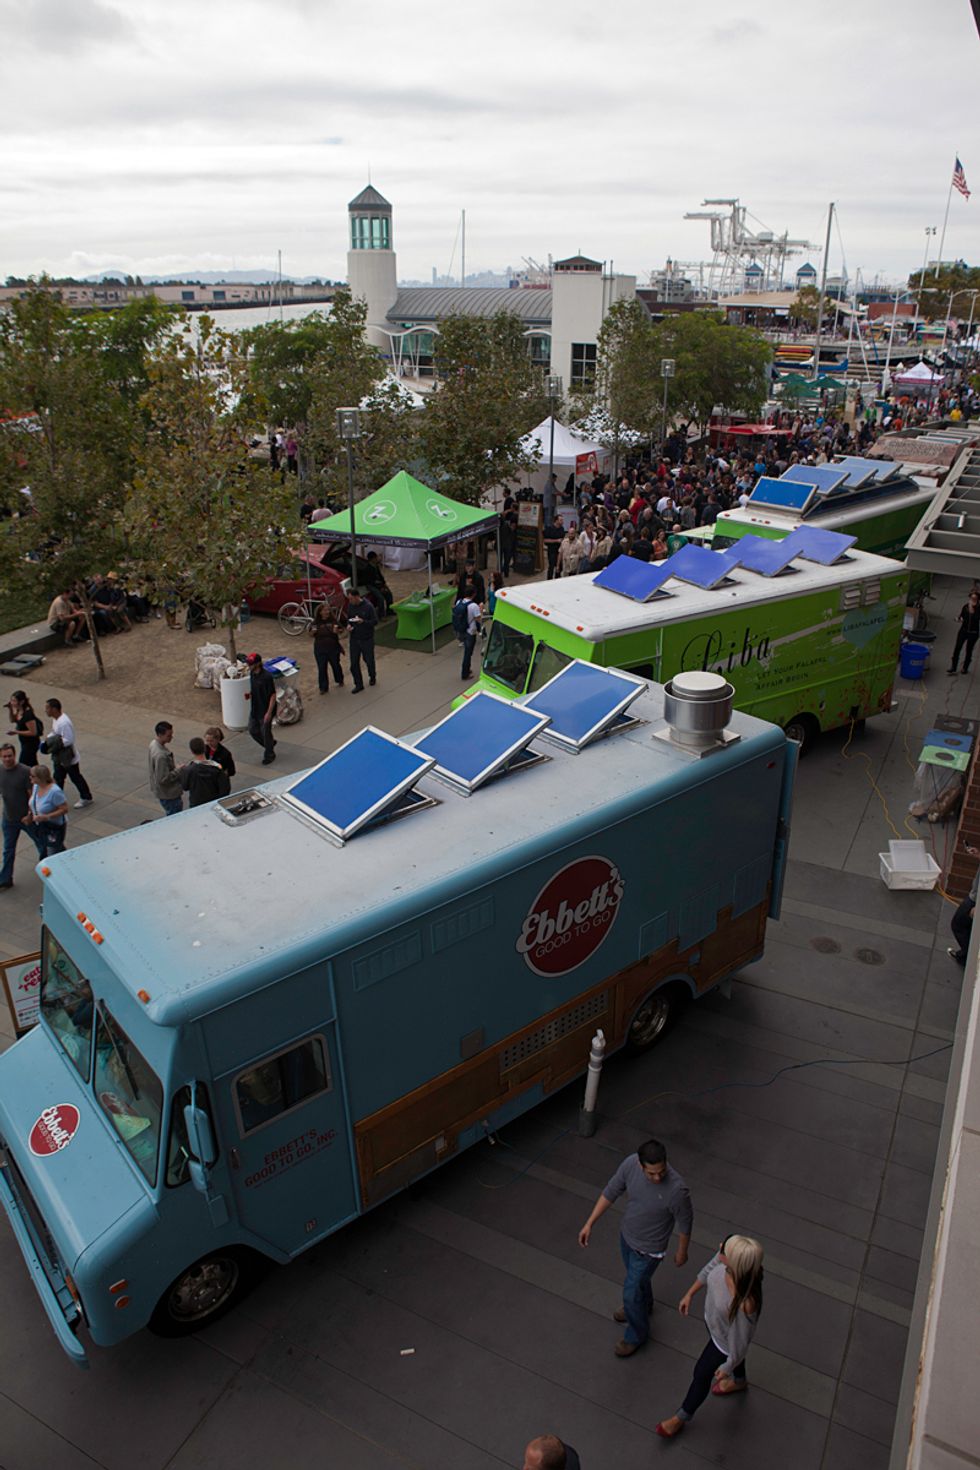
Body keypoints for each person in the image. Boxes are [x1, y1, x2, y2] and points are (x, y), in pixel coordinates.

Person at [578, 1137, 692, 1357]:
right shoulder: (630, 1164)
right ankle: (642, 1306)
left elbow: (686, 1223)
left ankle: (636, 1335)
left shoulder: (678, 1190)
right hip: (627, 1238)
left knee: (630, 1292)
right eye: (651, 1173)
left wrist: (681, 1251)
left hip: (650, 1251)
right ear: (641, 1166)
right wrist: (589, 1223)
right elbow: (611, 1191)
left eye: (661, 1171)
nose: (657, 1177)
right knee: (637, 1283)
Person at [655, 1235, 765, 1439]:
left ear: (736, 1263)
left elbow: (739, 1342)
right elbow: (707, 1272)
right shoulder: (725, 1261)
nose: (720, 1247)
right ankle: (739, 1381)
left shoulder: (745, 1303)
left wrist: (727, 1366)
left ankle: (681, 1417)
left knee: (701, 1374)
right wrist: (690, 1294)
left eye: (725, 1250)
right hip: (714, 1324)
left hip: (723, 1344)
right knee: (732, 1359)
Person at [41, 700, 93, 807]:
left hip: (67, 756)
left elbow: (68, 740)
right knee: (58, 777)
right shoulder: (56, 720)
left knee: (75, 777)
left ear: (54, 709)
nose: (46, 710)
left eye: (47, 708)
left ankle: (86, 797)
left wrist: (53, 744)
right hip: (60, 756)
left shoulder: (64, 722)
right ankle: (56, 799)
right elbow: (55, 733)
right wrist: (48, 739)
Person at [0, 743, 36, 888]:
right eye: (4, 756)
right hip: (9, 819)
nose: (7, 759)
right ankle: (5, 879)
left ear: (15, 755)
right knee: (8, 850)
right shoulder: (0, 771)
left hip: (27, 819)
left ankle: (54, 871)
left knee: (42, 845)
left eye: (10, 755)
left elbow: (32, 797)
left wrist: (30, 815)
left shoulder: (25, 771)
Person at [26, 764, 69, 857]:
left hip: (53, 827)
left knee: (51, 852)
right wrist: (30, 813)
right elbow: (34, 802)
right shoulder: (36, 786)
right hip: (41, 826)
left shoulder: (54, 791)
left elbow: (64, 809)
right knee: (55, 847)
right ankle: (67, 857)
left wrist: (46, 817)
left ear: (40, 777)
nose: (30, 777)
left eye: (33, 776)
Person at [948, 843, 980, 965]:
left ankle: (968, 957)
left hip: (975, 899)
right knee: (969, 927)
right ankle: (967, 957)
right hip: (975, 896)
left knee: (958, 924)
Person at [244, 653, 278, 762]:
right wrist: (250, 694)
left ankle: (269, 754)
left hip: (265, 709)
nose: (249, 666)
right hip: (255, 708)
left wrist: (269, 713)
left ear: (258, 664)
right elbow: (255, 688)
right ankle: (269, 745)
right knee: (252, 730)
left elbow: (273, 695)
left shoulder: (267, 677)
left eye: (251, 664)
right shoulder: (252, 674)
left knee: (265, 732)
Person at [180, 738, 231, 808]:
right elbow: (225, 789)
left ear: (192, 751)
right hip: (214, 802)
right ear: (205, 748)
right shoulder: (216, 767)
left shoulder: (189, 770)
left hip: (196, 804)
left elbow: (185, 787)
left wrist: (182, 771)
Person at [148, 721, 184, 816]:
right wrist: (178, 770)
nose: (171, 737)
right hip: (169, 794)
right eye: (168, 735)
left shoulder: (153, 744)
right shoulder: (161, 756)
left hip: (163, 792)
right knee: (174, 817)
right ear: (160, 735)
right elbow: (163, 779)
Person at [346, 592, 378, 694]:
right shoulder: (350, 606)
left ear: (357, 597)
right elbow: (349, 619)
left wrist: (363, 622)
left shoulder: (368, 607)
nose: (350, 601)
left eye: (351, 599)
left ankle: (372, 676)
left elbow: (374, 621)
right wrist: (349, 626)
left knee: (368, 660)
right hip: (354, 638)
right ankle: (358, 684)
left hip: (366, 638)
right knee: (354, 663)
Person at [310, 602, 345, 693]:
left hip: (333, 648)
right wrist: (313, 632)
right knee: (322, 668)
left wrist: (337, 631)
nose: (327, 612)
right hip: (320, 649)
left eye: (328, 610)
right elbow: (310, 634)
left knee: (336, 665)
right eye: (325, 610)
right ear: (320, 612)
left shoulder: (333, 621)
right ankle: (323, 687)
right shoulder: (315, 622)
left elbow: (341, 630)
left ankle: (339, 680)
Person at [6, 690, 42, 767]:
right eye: (11, 700)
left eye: (14, 701)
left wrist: (16, 732)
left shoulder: (28, 715)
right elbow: (13, 720)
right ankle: (40, 776)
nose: (12, 703)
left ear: (21, 702)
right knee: (32, 764)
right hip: (24, 742)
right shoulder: (19, 709)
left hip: (31, 744)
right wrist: (10, 709)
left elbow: (33, 732)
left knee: (22, 764)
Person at [948, 589, 980, 674]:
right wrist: (959, 619)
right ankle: (953, 666)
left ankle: (965, 667)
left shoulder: (978, 608)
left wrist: (971, 608)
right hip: (964, 630)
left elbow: (976, 618)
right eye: (971, 598)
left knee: (969, 650)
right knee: (957, 648)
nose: (972, 600)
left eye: (974, 599)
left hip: (973, 632)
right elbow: (962, 616)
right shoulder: (965, 606)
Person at [456, 590, 482, 681]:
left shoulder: (459, 602)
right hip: (470, 631)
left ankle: (467, 669)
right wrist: (481, 610)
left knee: (467, 651)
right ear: (473, 594)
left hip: (462, 630)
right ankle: (465, 673)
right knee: (468, 653)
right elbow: (478, 619)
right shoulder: (474, 606)